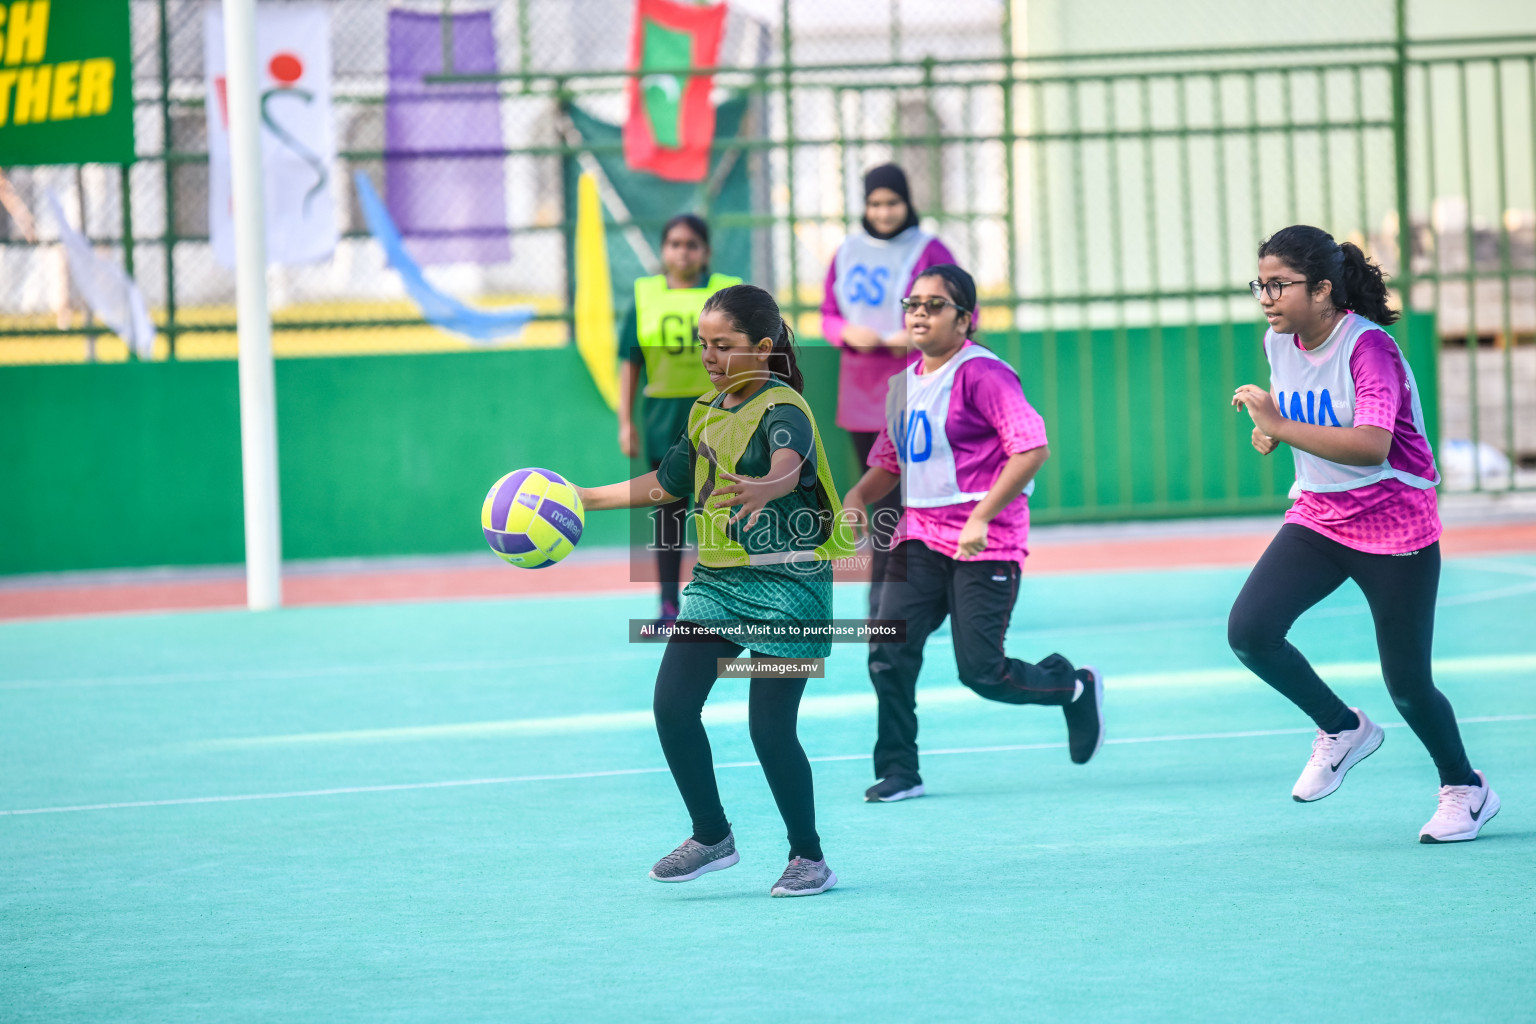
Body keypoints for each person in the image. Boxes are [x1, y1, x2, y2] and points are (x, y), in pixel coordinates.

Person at [578, 283, 855, 895]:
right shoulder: (705, 410)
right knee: (672, 707)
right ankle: (712, 836)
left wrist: (768, 487)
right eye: (703, 344)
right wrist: (582, 499)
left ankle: (808, 857)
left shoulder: (786, 409)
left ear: (762, 347)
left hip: (793, 587)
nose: (708, 355)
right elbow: (668, 481)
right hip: (719, 583)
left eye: (723, 345)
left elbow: (787, 463)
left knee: (769, 729)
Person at [1229, 224, 1499, 843]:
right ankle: (1342, 726)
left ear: (1323, 289)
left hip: (1394, 524)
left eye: (1280, 284)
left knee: (1407, 684)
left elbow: (1371, 446)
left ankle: (1466, 788)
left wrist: (1282, 424)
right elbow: (1304, 413)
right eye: (1260, 284)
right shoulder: (1282, 343)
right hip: (1320, 517)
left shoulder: (1367, 348)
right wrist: (1275, 427)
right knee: (1250, 631)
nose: (1266, 296)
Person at [842, 264, 1106, 803]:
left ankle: (1072, 685)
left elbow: (1031, 448)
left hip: (983, 541)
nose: (919, 313)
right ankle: (899, 769)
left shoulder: (985, 375)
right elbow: (891, 462)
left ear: (964, 319)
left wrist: (982, 516)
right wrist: (856, 497)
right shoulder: (902, 385)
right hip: (917, 535)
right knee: (888, 650)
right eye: (912, 304)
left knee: (983, 673)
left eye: (933, 305)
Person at [822, 164, 957, 617]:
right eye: (875, 203)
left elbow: (955, 307)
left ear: (907, 203)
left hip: (914, 384)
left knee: (916, 493)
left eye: (891, 202)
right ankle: (884, 595)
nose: (883, 212)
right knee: (881, 495)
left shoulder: (928, 248)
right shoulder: (847, 251)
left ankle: (908, 592)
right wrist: (845, 332)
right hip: (862, 390)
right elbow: (827, 313)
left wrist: (919, 333)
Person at [617, 214, 742, 626]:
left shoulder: (727, 293)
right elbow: (630, 361)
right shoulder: (646, 295)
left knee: (720, 513)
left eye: (691, 244)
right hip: (664, 419)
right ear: (662, 250)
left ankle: (728, 602)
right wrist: (626, 422)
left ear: (705, 251)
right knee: (668, 517)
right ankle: (668, 606)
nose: (682, 251)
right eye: (674, 243)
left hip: (718, 415)